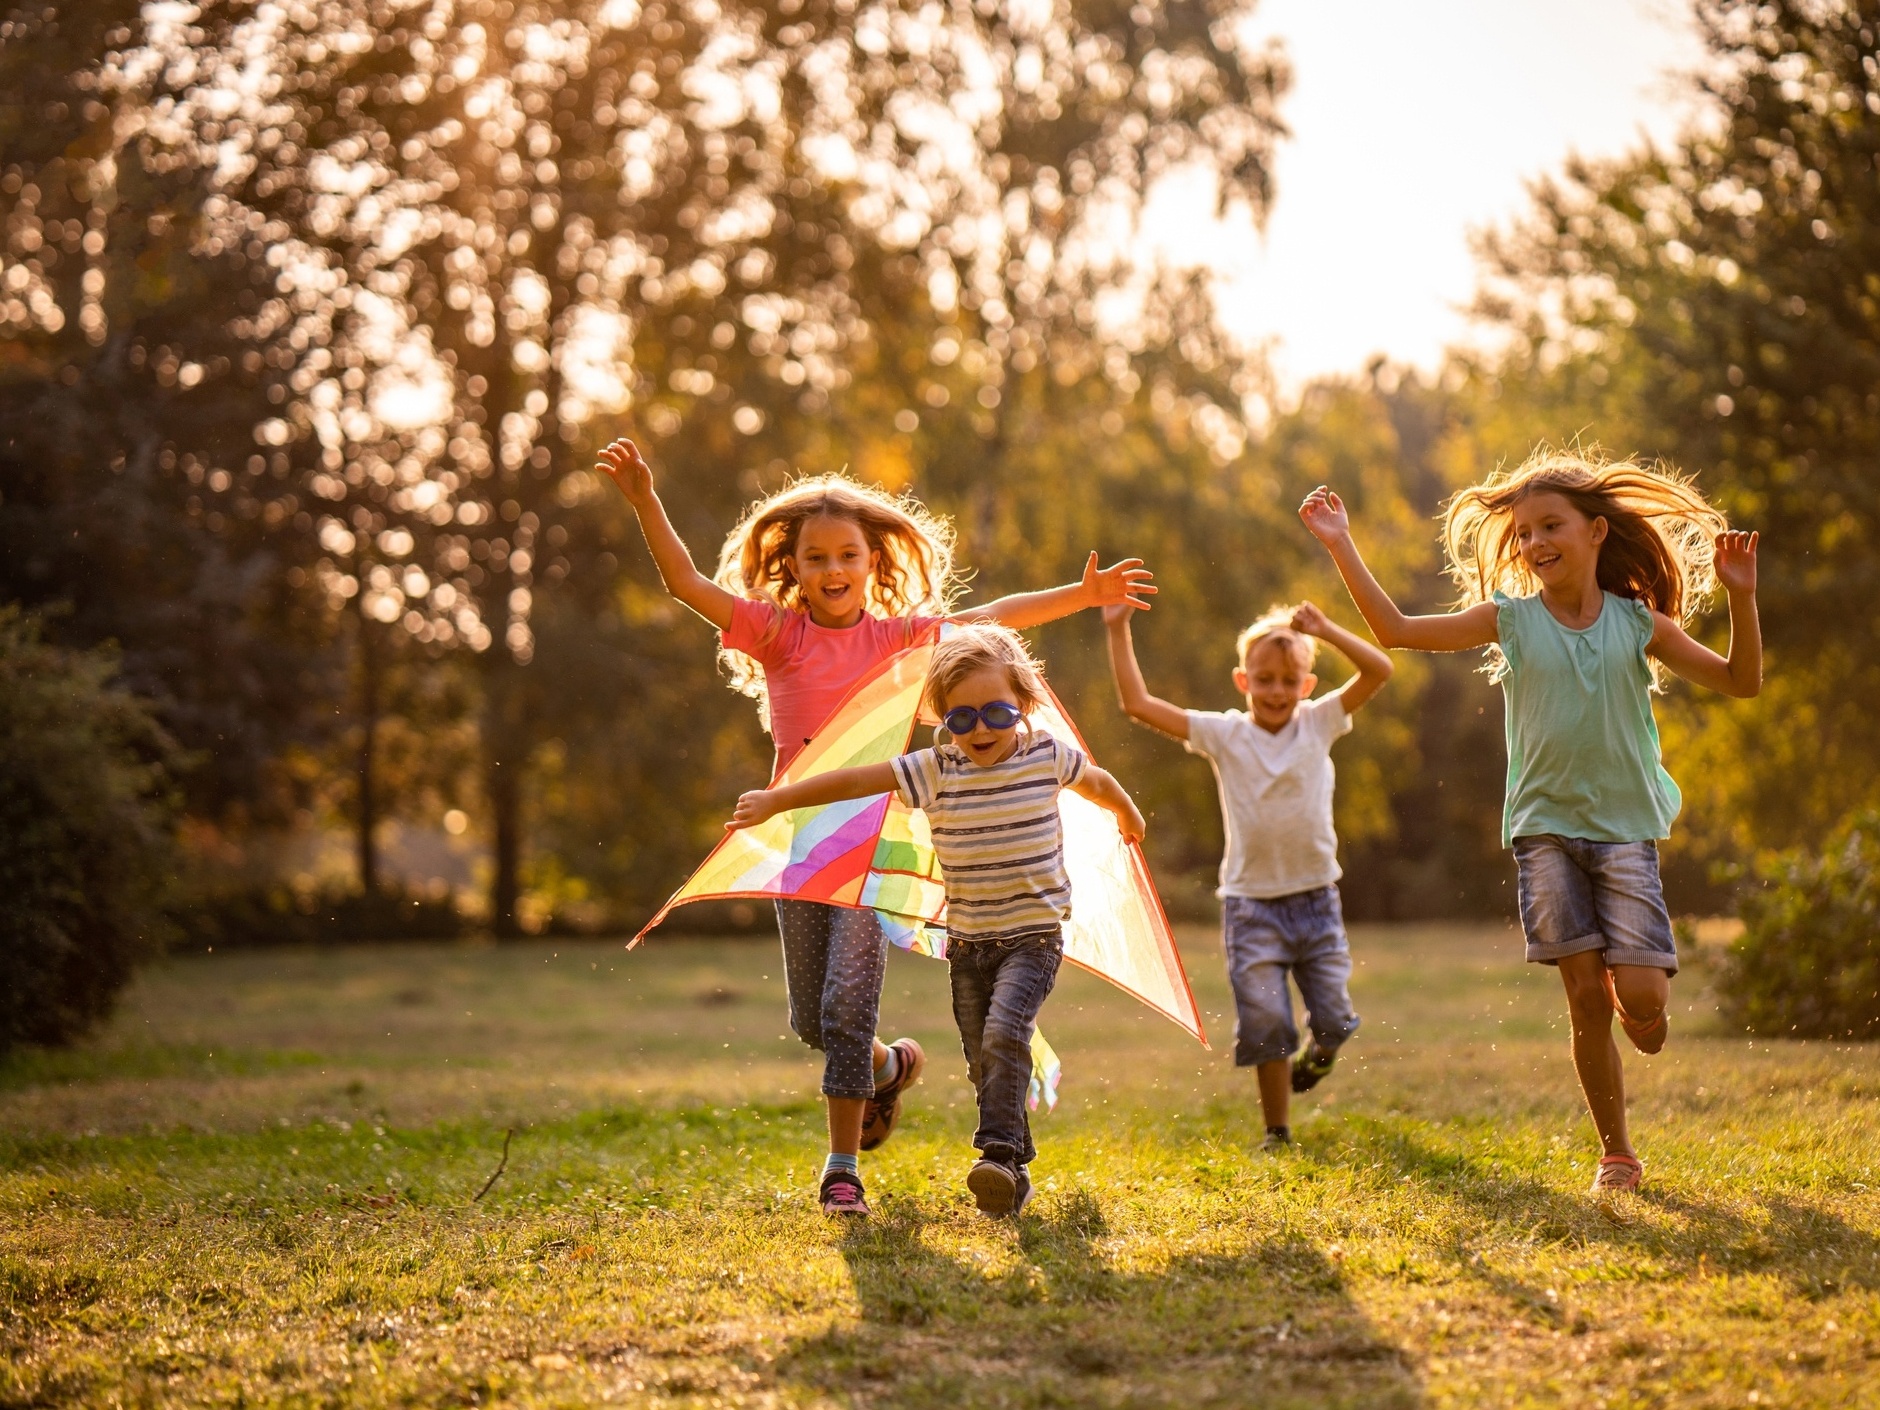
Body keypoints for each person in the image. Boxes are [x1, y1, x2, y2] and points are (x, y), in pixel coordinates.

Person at [596, 438, 1155, 1215]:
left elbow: (991, 618)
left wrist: (1081, 595)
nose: (832, 570)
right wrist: (644, 501)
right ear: (792, 566)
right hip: (799, 847)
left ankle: (842, 1168)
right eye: (815, 556)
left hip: (872, 844)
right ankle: (891, 1068)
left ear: (871, 562)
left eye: (848, 555)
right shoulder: (776, 635)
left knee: (847, 1008)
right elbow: (686, 583)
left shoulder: (896, 641)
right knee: (813, 1022)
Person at [1299, 450, 1761, 1195]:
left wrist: (1741, 596)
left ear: (1597, 532)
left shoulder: (1636, 624)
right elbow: (1396, 630)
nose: (1535, 542)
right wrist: (1338, 541)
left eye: (1552, 525)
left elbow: (1743, 682)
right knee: (1584, 998)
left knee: (1641, 1003)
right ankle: (1617, 1154)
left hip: (1623, 832)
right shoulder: (1509, 621)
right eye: (1523, 532)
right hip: (1544, 831)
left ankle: (1639, 1008)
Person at [728, 623, 1147, 1217]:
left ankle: (997, 1156)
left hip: (1033, 938)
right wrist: (778, 798)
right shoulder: (936, 769)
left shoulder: (1047, 756)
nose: (981, 729)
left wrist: (1127, 814)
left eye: (998, 714)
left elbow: (1098, 781)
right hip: (969, 945)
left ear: (1024, 707)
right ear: (943, 721)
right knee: (983, 1057)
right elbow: (854, 780)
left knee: (1006, 1033)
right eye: (962, 718)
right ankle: (1016, 1170)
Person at [1104, 597, 1391, 1151]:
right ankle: (1277, 1132)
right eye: (1265, 680)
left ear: (1308, 683)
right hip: (1250, 907)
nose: (1277, 691)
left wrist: (1326, 629)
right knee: (1266, 1022)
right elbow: (1137, 703)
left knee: (1333, 1018)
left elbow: (1379, 669)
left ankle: (1322, 1054)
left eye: (1289, 680)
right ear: (1243, 680)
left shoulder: (1320, 722)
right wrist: (1118, 627)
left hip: (1315, 900)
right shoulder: (1225, 734)